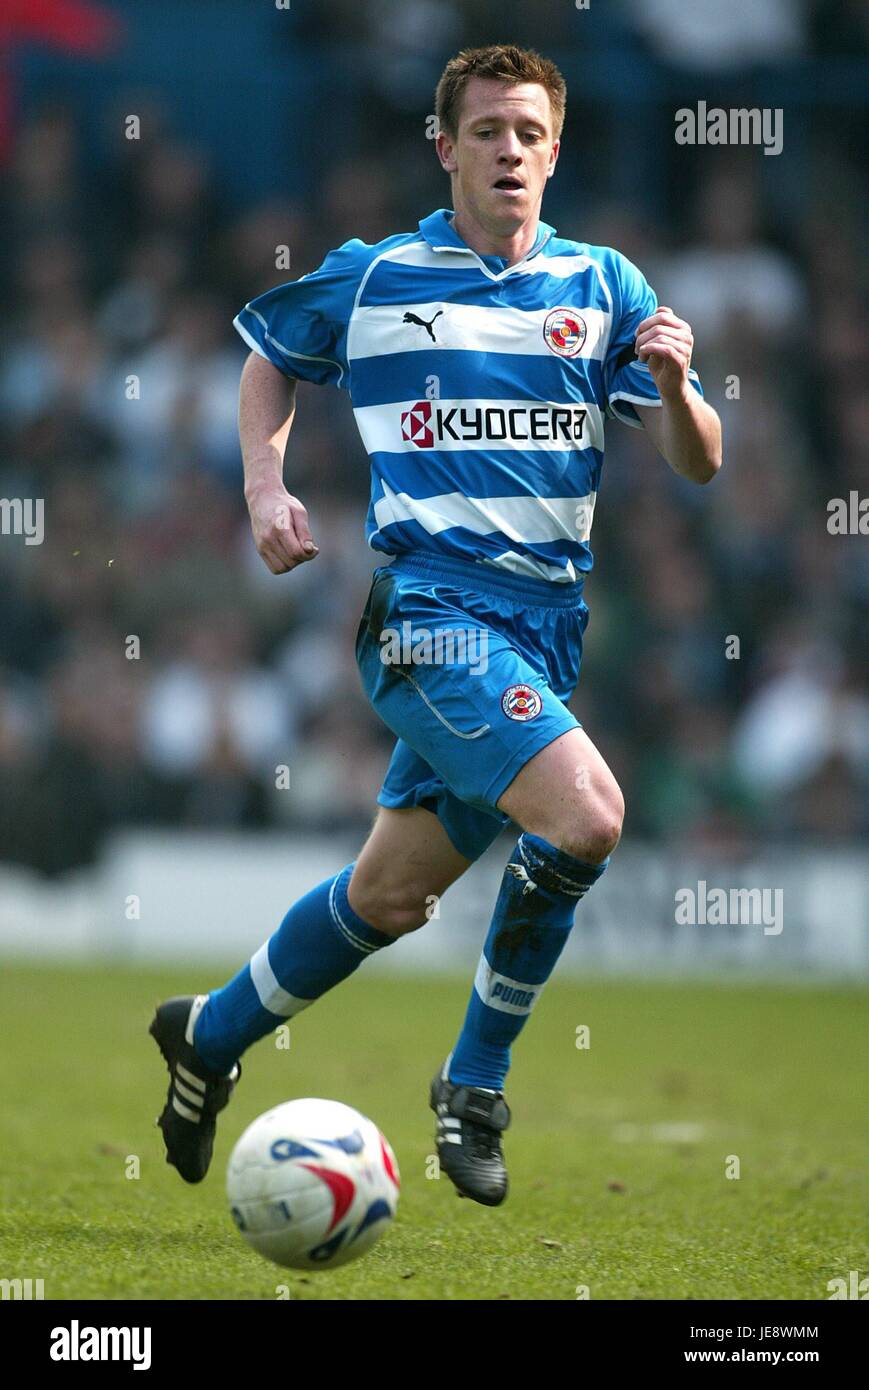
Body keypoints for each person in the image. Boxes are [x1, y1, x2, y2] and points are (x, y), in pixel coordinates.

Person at [150, 44, 721, 1208]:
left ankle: (207, 1033)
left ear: (554, 152)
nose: (507, 151)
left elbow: (700, 464)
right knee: (586, 816)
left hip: (545, 624)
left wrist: (674, 386)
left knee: (389, 897)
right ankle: (474, 1087)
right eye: (485, 131)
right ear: (444, 145)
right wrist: (265, 487)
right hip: (424, 614)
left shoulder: (602, 284)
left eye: (528, 133)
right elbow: (267, 358)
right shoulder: (376, 275)